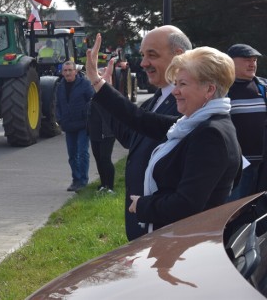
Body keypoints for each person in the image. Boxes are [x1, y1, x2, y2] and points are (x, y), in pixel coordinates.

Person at [87, 33, 241, 234]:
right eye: (175, 84)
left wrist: (143, 205)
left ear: (209, 90)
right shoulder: (193, 123)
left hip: (183, 245)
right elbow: (140, 122)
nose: (175, 91)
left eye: (182, 84)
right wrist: (100, 85)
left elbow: (186, 204)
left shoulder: (211, 133)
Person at [110, 25, 192, 240]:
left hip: (168, 231)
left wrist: (102, 90)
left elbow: (145, 122)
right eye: (143, 55)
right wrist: (103, 98)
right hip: (145, 224)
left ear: (179, 56)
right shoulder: (156, 100)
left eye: (152, 55)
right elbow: (130, 137)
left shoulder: (189, 106)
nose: (144, 63)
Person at [226, 44, 266, 199]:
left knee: (260, 215)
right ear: (230, 62)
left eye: (254, 60)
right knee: (234, 213)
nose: (252, 63)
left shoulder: (264, 86)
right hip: (239, 167)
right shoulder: (221, 89)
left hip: (263, 166)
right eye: (247, 59)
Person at [55, 61, 94, 192]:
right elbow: (57, 105)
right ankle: (75, 180)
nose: (67, 73)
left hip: (83, 125)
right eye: (65, 70)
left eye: (70, 70)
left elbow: (93, 101)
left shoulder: (85, 84)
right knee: (72, 155)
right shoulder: (60, 87)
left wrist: (87, 116)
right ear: (62, 72)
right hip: (68, 125)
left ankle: (83, 181)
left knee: (82, 153)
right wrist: (59, 119)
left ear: (75, 72)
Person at [88, 94, 116, 193]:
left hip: (107, 134)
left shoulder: (109, 96)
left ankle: (110, 187)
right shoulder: (91, 96)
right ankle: (103, 184)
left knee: (105, 158)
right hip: (95, 133)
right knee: (99, 159)